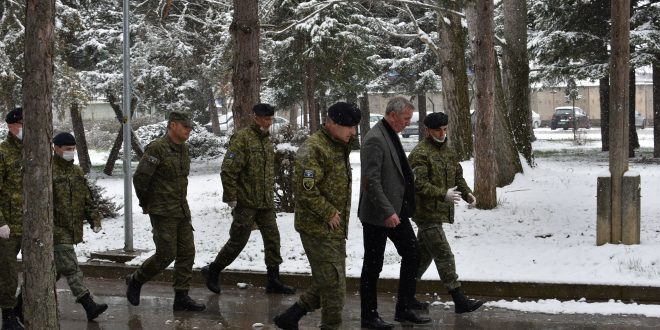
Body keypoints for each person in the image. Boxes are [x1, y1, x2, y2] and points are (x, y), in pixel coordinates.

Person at [273, 102, 361, 330]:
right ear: (330, 123)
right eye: (348, 126)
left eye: (354, 127)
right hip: (317, 227)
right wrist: (328, 211)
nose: (352, 132)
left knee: (330, 281)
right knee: (334, 287)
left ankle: (291, 316)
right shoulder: (314, 148)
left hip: (334, 228)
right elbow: (305, 189)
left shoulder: (339, 143)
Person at [202, 103, 295, 295]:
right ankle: (213, 270)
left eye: (270, 119)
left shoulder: (266, 140)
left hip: (265, 202)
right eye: (265, 119)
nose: (268, 123)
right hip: (246, 202)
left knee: (273, 239)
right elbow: (228, 170)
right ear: (255, 117)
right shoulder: (242, 138)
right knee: (238, 241)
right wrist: (232, 199)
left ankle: (273, 280)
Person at [358, 97, 431, 329]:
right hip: (379, 213)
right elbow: (371, 181)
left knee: (412, 253)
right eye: (406, 118)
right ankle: (369, 316)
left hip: (396, 209)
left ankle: (405, 307)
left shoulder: (389, 133)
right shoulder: (375, 139)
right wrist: (387, 211)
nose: (408, 123)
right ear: (392, 115)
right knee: (373, 264)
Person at [125, 111, 205, 312]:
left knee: (187, 252)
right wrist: (147, 204)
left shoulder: (183, 149)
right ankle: (136, 279)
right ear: (173, 125)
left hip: (180, 209)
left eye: (190, 127)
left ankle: (181, 296)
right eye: (185, 127)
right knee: (166, 254)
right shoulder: (157, 148)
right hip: (162, 211)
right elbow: (141, 179)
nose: (189, 131)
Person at [408, 112, 483, 314]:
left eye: (445, 129)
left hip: (439, 213)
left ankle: (405, 296)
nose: (442, 133)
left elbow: (457, 175)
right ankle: (459, 299)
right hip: (425, 213)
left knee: (422, 257)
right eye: (437, 130)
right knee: (443, 254)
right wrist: (443, 194)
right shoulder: (420, 153)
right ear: (428, 130)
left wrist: (467, 194)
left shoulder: (448, 152)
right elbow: (419, 184)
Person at [51, 132, 108, 321]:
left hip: (72, 229)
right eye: (67, 149)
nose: (71, 152)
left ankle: (18, 306)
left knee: (54, 273)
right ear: (56, 148)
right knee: (71, 267)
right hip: (55, 230)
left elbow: (86, 198)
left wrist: (94, 220)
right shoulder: (48, 170)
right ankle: (88, 304)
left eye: (73, 149)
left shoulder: (75, 171)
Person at [0, 108, 24, 330]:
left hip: (34, 224)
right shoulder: (3, 152)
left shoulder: (35, 150)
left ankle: (21, 307)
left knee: (44, 267)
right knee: (8, 271)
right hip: (9, 225)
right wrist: (0, 222)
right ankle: (7, 315)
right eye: (22, 124)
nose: (25, 129)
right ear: (10, 125)